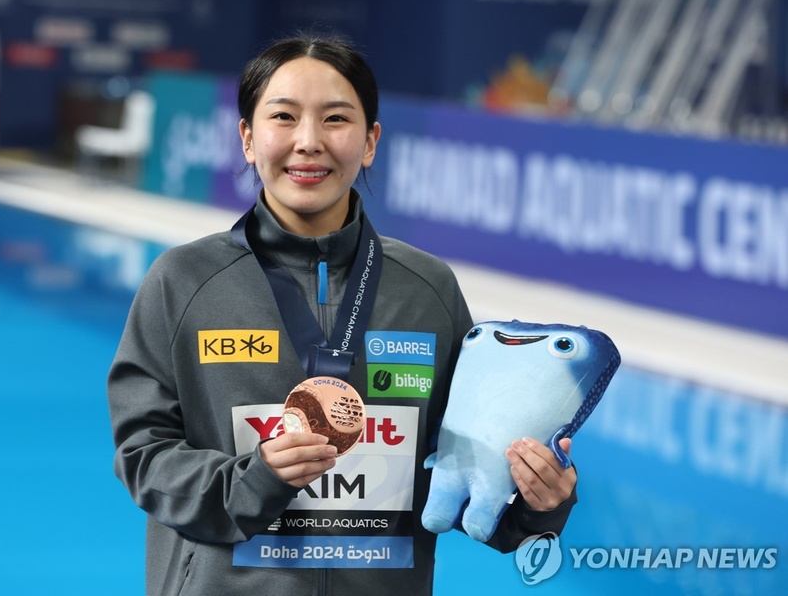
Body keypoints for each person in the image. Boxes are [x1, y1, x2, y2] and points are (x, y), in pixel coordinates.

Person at [107, 33, 577, 596]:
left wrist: (537, 502)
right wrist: (255, 480)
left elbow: (457, 472)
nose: (309, 142)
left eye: (335, 119)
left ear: (371, 141)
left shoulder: (427, 290)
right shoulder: (183, 283)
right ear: (248, 138)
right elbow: (145, 456)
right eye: (283, 117)